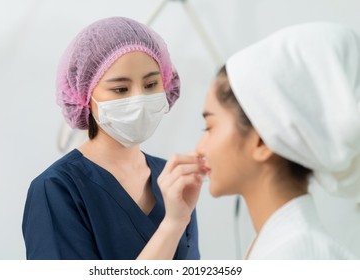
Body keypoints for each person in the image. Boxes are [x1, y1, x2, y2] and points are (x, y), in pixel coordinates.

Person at [22, 17, 204, 260]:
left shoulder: (171, 177)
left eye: (151, 84)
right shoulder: (58, 189)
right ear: (84, 95)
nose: (139, 100)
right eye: (120, 89)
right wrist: (172, 224)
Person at [193, 22, 360, 259]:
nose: (199, 148)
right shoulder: (288, 247)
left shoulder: (296, 256)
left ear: (262, 141)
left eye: (209, 127)